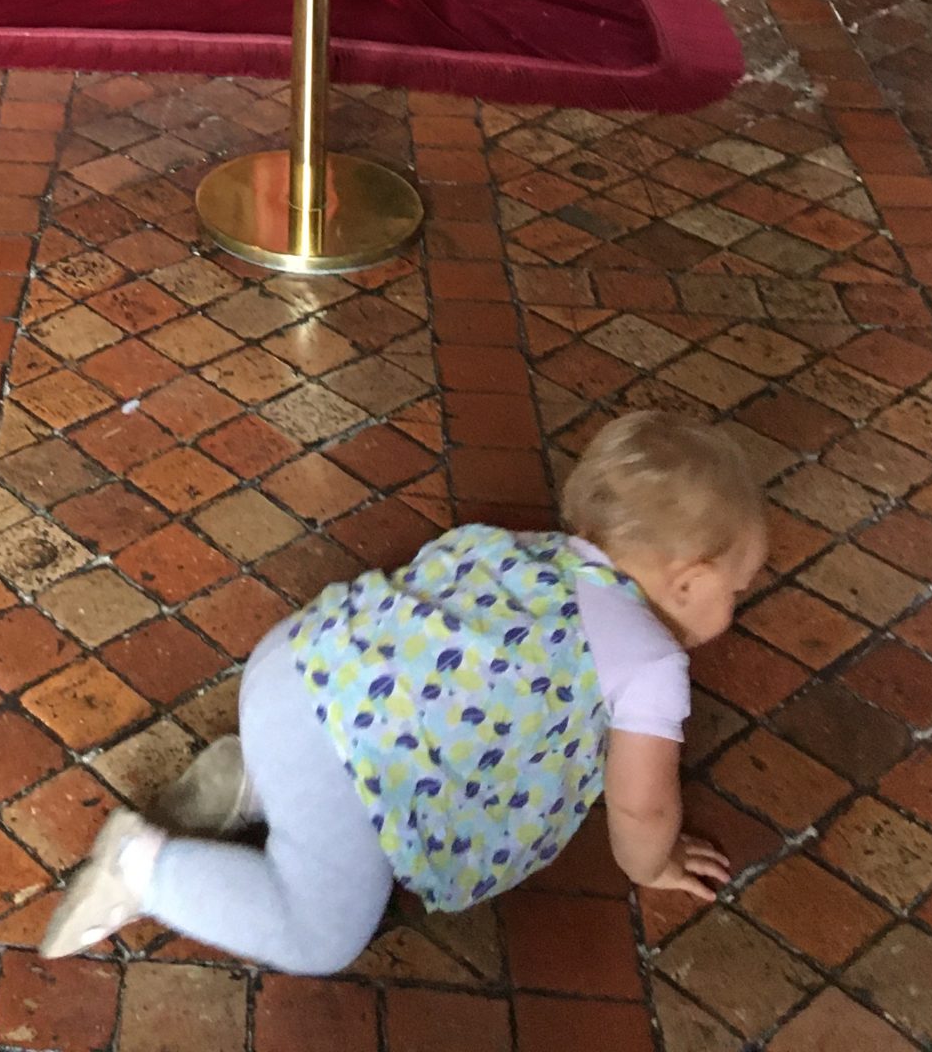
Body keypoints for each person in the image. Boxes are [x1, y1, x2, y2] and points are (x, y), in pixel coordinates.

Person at [40, 408, 767, 973]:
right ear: (688, 582)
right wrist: (655, 862)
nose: (737, 606)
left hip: (296, 660)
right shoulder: (649, 664)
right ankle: (141, 868)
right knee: (321, 936)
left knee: (338, 749)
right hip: (341, 752)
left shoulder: (526, 552)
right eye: (736, 590)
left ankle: (252, 780)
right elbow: (642, 805)